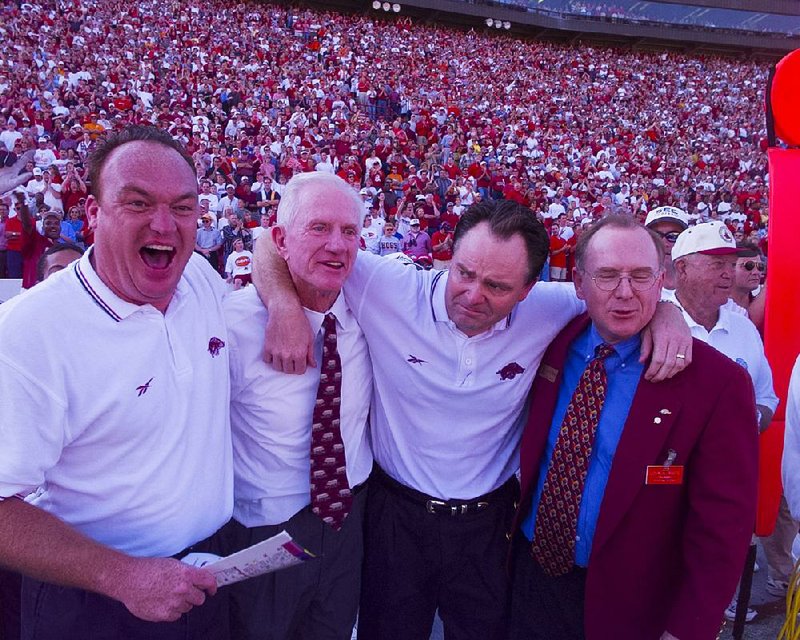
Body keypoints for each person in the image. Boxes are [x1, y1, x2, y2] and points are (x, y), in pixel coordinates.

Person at [255, 199, 691, 640]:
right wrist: (282, 305)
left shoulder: (551, 308)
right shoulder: (387, 285)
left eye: (498, 286)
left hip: (487, 525)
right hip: (396, 517)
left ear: (527, 290)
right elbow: (272, 244)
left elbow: (624, 293)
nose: (473, 294)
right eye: (463, 273)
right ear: (448, 256)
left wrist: (667, 313)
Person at [0, 125, 232, 640]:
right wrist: (122, 576)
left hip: (206, 579)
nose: (165, 224)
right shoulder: (27, 334)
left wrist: (283, 304)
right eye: (138, 203)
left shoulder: (199, 278)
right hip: (94, 600)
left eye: (184, 207)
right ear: (93, 214)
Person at [509, 215, 758, 640]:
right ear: (579, 284)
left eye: (641, 276)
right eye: (607, 276)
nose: (625, 293)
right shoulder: (549, 340)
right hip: (532, 583)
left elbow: (723, 528)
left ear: (661, 281)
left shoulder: (718, 383)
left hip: (635, 605)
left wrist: (689, 629)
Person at [217, 172, 372, 639]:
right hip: (265, 529)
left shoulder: (371, 306)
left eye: (348, 232)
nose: (337, 245)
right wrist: (284, 305)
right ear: (282, 239)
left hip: (348, 517)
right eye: (319, 228)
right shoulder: (232, 326)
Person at [668, 220, 779, 622]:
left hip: (722, 479)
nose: (727, 272)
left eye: (731, 263)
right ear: (681, 269)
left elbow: (767, 397)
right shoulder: (655, 318)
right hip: (665, 475)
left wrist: (749, 422)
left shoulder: (743, 327)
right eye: (715, 262)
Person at [644, 205, 688, 291]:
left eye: (673, 236)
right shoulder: (632, 286)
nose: (664, 243)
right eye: (656, 235)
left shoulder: (700, 286)